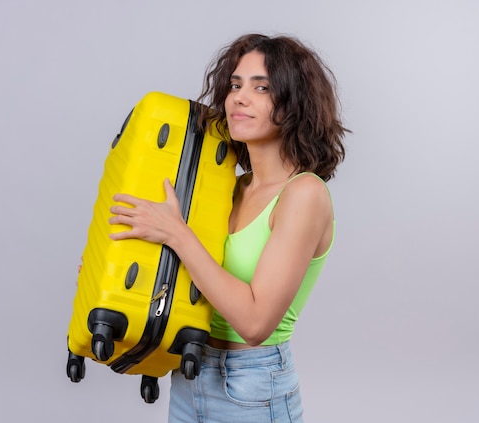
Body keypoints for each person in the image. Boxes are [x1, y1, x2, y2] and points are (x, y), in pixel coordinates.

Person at [108, 33, 348, 423]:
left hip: (252, 387)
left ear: (294, 103)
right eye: (235, 85)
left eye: (262, 87)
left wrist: (176, 232)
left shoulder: (304, 194)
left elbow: (254, 324)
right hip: (190, 371)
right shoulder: (230, 189)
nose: (239, 97)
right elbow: (195, 279)